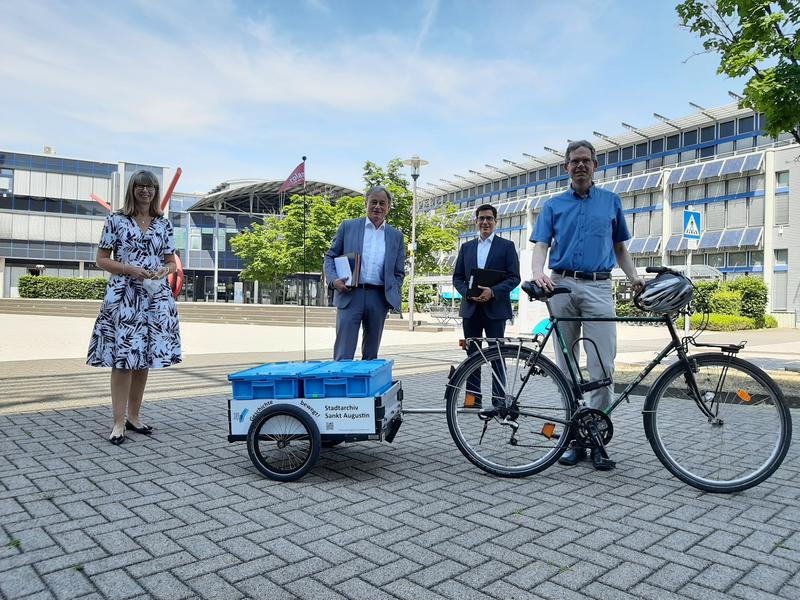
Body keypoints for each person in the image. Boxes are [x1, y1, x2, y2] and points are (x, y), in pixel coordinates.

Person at [530, 140, 644, 470]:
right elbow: (541, 245)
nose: (580, 166)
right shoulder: (553, 205)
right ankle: (574, 437)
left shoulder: (611, 202)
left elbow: (620, 247)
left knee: (603, 367)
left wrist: (634, 276)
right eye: (574, 161)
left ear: (595, 166)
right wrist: (538, 272)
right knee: (566, 368)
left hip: (598, 286)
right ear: (566, 167)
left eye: (586, 161)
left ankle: (596, 436)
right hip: (561, 284)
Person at [87, 170, 182, 445]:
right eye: (140, 186)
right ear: (132, 189)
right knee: (124, 359)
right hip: (125, 296)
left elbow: (172, 262)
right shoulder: (116, 220)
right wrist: (129, 269)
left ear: (155, 191)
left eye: (150, 187)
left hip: (154, 296)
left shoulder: (163, 224)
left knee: (144, 358)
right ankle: (118, 422)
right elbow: (101, 260)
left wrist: (161, 271)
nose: (145, 191)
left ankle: (134, 416)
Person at [452, 204, 521, 415]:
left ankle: (500, 402)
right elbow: (457, 277)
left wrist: (492, 291)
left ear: (495, 222)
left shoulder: (507, 246)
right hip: (471, 309)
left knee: (496, 354)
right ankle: (473, 400)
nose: (485, 222)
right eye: (481, 218)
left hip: (495, 309)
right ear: (476, 221)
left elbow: (514, 278)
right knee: (472, 355)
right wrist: (467, 293)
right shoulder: (466, 247)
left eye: (489, 219)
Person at [323, 185, 405, 361]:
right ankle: (340, 386)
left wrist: (393, 289)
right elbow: (330, 257)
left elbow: (399, 272)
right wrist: (333, 280)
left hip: (378, 298)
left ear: (388, 208)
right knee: (343, 353)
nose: (377, 207)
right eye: (373, 202)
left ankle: (367, 388)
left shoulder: (396, 236)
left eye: (382, 203)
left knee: (371, 355)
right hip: (351, 295)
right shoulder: (348, 227)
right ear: (366, 203)